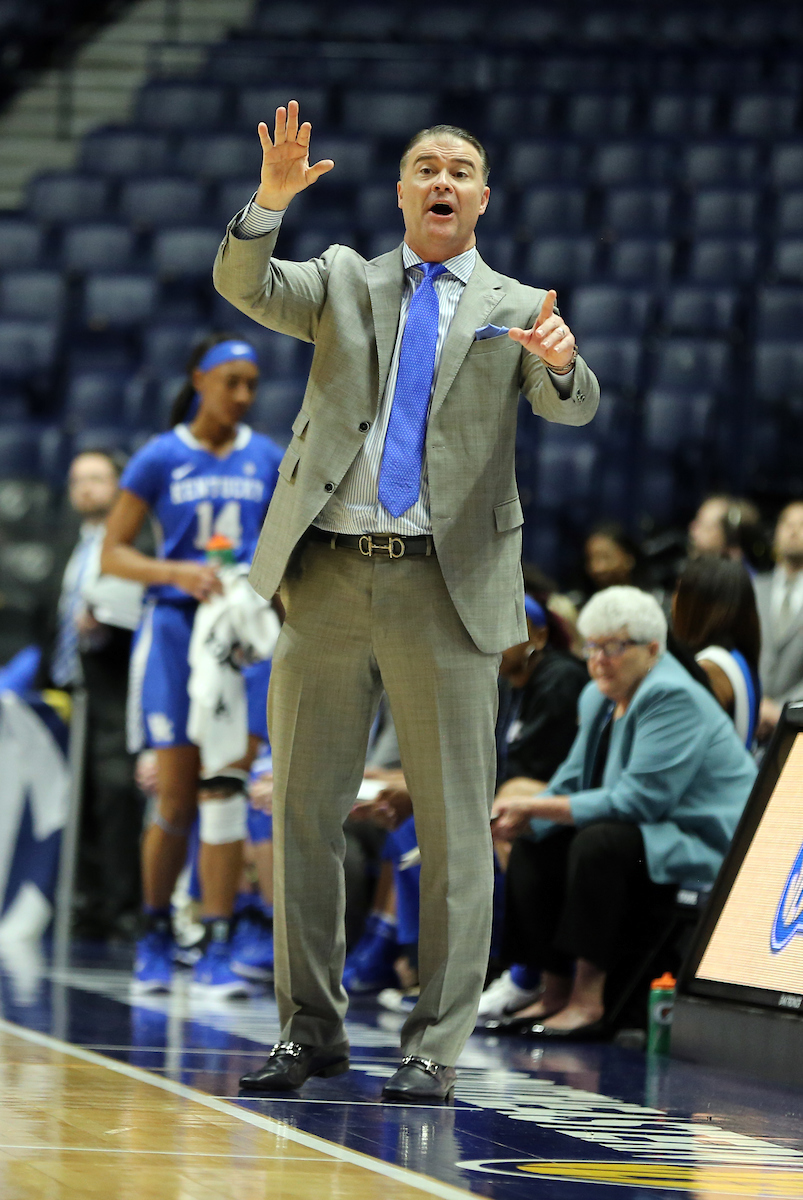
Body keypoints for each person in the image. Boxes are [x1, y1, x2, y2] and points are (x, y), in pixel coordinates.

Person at [213, 102, 600, 1101]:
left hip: (448, 585)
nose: (441, 180)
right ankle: (310, 1031)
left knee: (456, 826)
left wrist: (558, 357)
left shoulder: (517, 301)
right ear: (399, 192)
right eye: (424, 166)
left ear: (480, 198)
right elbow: (240, 282)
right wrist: (270, 200)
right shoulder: (344, 278)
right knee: (301, 813)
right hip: (329, 574)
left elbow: (572, 399)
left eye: (459, 170)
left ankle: (432, 1047)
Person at [100, 333, 284, 997]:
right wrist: (177, 571)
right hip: (176, 630)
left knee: (226, 791)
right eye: (229, 381)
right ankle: (155, 930)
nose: (241, 395)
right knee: (175, 798)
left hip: (238, 636)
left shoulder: (266, 456)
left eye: (250, 385)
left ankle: (216, 940)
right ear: (198, 379)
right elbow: (113, 554)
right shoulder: (159, 455)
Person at [489, 586, 756, 1040]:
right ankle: (551, 990)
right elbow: (572, 780)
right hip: (650, 832)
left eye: (613, 647)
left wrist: (536, 804)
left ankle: (587, 1000)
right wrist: (528, 815)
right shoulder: (599, 697)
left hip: (705, 842)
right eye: (592, 646)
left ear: (652, 649)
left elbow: (640, 802)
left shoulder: (672, 694)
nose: (598, 659)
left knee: (600, 841)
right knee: (537, 839)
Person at [50, 449, 145, 939]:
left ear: (117, 484)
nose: (85, 488)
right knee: (77, 797)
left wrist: (106, 623)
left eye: (96, 478)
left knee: (115, 797)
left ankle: (123, 907)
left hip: (115, 687)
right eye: (77, 480)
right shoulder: (68, 541)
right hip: (70, 690)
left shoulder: (133, 539)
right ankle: (85, 904)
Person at [671, 557, 761, 749]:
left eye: (679, 590)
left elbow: (684, 746)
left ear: (697, 605)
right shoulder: (738, 657)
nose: (673, 599)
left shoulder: (710, 667)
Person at [754, 501, 803, 741]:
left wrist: (783, 709)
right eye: (787, 523)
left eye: (802, 525)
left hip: (796, 726)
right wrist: (754, 703)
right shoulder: (753, 589)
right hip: (749, 717)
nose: (794, 530)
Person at [582, 523, 639, 595]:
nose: (597, 568)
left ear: (629, 559)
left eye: (606, 557)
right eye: (591, 559)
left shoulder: (650, 600)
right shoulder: (584, 604)